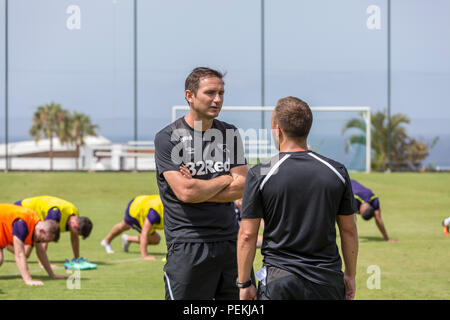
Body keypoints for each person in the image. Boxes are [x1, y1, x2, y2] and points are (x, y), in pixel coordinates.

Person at [237, 96, 359, 300]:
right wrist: (351, 275)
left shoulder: (260, 173)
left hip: (279, 281)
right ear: (307, 128)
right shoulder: (336, 170)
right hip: (326, 280)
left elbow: (247, 235)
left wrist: (244, 283)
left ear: (278, 130)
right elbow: (348, 229)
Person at [154, 67, 248, 300]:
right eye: (210, 93)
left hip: (229, 243)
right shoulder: (168, 137)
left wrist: (200, 188)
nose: (217, 99)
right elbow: (185, 192)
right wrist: (226, 178)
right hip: (187, 245)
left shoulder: (230, 133)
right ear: (189, 96)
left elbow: (243, 185)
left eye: (221, 93)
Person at [0, 203, 68, 286]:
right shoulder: (22, 224)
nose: (41, 242)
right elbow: (19, 254)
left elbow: (41, 252)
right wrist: (28, 280)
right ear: (41, 230)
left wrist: (52, 274)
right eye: (42, 239)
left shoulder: (36, 225)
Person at [15, 196, 93, 260]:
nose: (75, 235)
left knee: (26, 253)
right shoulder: (55, 213)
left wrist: (77, 259)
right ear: (75, 225)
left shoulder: (75, 215)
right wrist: (42, 263)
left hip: (34, 218)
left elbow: (74, 239)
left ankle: (6, 245)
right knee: (26, 251)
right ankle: (5, 244)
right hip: (22, 210)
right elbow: (45, 236)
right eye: (77, 232)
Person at [101, 195, 164, 260]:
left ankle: (127, 239)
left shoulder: (170, 205)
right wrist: (145, 256)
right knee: (124, 226)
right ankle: (106, 241)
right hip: (135, 210)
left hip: (143, 203)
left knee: (156, 239)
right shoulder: (154, 214)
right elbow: (144, 233)